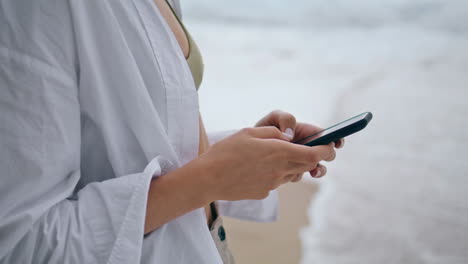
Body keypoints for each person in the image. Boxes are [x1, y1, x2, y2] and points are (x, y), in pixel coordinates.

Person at [0, 0, 343, 263]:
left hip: (208, 245)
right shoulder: (36, 10)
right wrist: (210, 177)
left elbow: (129, 142)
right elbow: (22, 244)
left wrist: (248, 157)